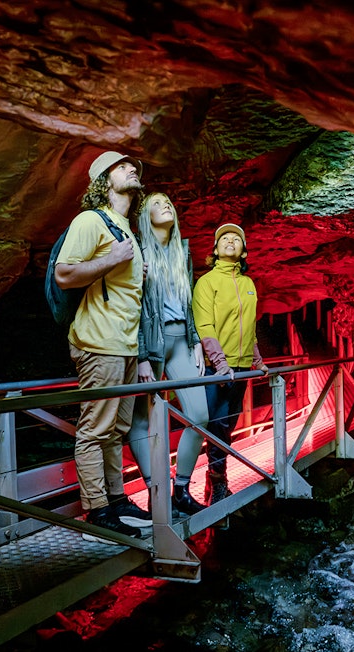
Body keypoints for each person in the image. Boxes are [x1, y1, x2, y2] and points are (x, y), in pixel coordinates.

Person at [54, 150, 152, 541]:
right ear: (102, 180)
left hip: (125, 346)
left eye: (133, 166)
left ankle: (117, 500)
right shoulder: (91, 221)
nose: (132, 169)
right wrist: (111, 259)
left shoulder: (126, 229)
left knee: (116, 429)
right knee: (95, 430)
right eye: (121, 166)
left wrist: (128, 264)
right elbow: (64, 274)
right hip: (99, 342)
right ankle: (97, 511)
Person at [128, 192, 211, 517]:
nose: (166, 206)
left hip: (180, 340)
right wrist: (141, 356)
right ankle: (155, 492)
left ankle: (180, 490)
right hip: (152, 340)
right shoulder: (137, 249)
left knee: (199, 417)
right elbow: (132, 306)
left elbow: (188, 306)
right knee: (140, 421)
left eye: (169, 202)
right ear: (145, 216)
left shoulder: (182, 251)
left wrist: (195, 343)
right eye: (157, 203)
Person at [191, 223, 268, 504]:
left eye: (237, 238)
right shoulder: (207, 282)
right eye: (224, 238)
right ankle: (216, 483)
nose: (231, 241)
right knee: (217, 427)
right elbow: (205, 324)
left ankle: (216, 482)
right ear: (215, 249)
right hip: (217, 369)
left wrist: (257, 359)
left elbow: (249, 327)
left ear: (244, 250)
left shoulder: (248, 285)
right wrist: (219, 362)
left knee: (228, 426)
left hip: (242, 368)